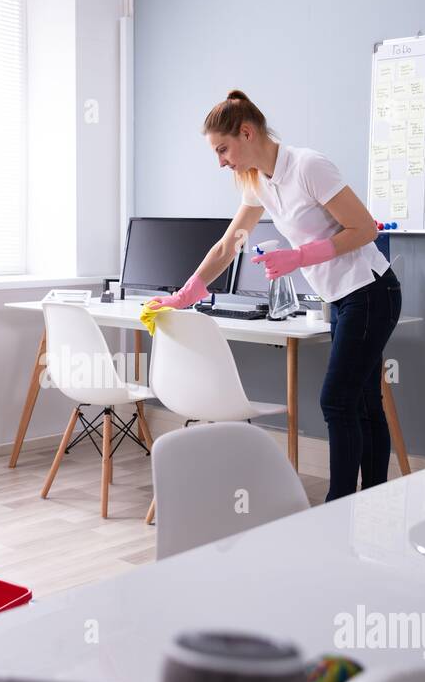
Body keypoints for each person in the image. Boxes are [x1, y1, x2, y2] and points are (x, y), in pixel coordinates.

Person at [148, 90, 402, 502]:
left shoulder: (308, 166)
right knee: (363, 403)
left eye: (222, 149)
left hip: (372, 292)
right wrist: (184, 295)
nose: (221, 162)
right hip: (341, 298)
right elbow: (229, 245)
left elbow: (365, 229)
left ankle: (338, 507)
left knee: (337, 401)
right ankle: (372, 503)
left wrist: (298, 256)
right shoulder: (256, 181)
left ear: (247, 133)